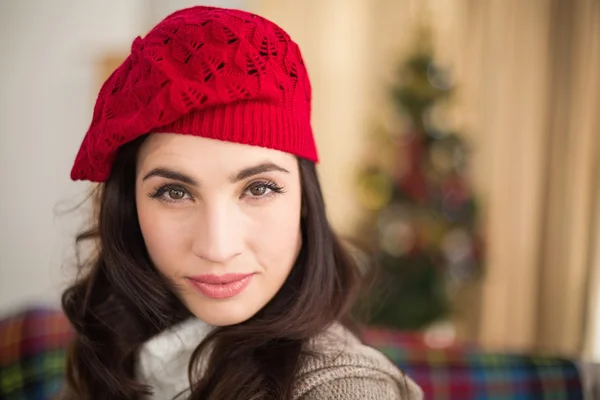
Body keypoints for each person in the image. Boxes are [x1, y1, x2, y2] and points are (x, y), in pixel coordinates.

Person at [59, 6, 422, 400]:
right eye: (175, 193)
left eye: (259, 188)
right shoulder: (114, 347)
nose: (218, 247)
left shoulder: (343, 387)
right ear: (129, 206)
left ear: (304, 199)